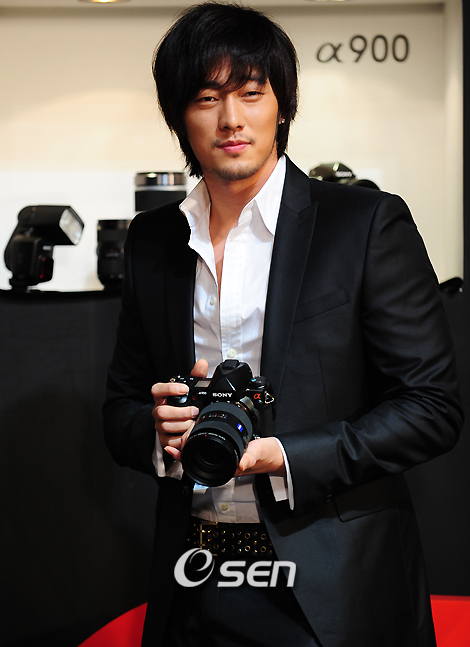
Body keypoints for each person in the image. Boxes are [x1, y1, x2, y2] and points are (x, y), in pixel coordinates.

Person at [103, 3, 463, 646]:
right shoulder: (154, 240)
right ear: (179, 116)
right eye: (207, 97)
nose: (231, 119)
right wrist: (158, 435)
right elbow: (120, 407)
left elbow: (431, 407)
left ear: (282, 105)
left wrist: (286, 457)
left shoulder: (364, 224)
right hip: (195, 573)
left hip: (333, 583)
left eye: (251, 92)